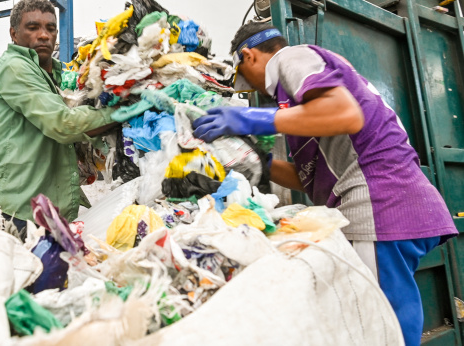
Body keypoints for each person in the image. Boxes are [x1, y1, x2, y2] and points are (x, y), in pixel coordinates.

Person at [192, 20, 457, 346]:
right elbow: (312, 181)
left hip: (379, 201)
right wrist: (261, 166)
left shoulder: (292, 58)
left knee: (377, 322)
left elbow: (347, 114)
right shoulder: (298, 106)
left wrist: (251, 119)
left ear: (249, 56)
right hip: (400, 201)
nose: (255, 89)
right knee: (392, 307)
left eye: (246, 79)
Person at [0, 0, 116, 231]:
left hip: (39, 214)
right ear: (13, 34)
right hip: (12, 212)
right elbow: (63, 124)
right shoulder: (14, 68)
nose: (44, 35)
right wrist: (119, 113)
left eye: (50, 28)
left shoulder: (52, 76)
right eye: (33, 27)